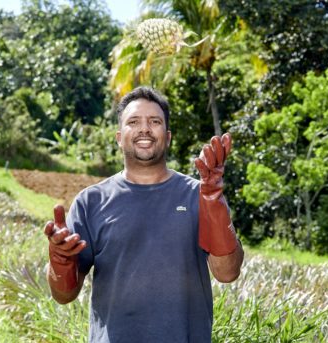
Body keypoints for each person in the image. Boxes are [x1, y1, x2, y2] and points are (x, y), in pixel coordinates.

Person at [44, 86, 244, 342]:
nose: (145, 129)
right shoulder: (90, 202)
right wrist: (60, 262)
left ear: (168, 136)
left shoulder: (201, 194)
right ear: (119, 136)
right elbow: (64, 295)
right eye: (134, 121)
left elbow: (227, 273)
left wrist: (214, 202)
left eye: (155, 121)